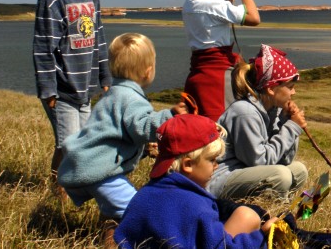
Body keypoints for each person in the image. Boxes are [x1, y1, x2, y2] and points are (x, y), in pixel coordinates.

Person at [56, 33, 186, 247]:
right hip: (100, 173)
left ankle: (109, 240)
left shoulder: (113, 95)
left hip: (89, 167)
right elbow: (143, 127)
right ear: (148, 70)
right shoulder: (132, 99)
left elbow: (115, 134)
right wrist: (170, 116)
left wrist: (142, 150)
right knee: (138, 210)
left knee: (116, 214)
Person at [115, 114, 278, 248]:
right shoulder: (196, 207)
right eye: (212, 160)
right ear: (188, 164)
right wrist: (261, 237)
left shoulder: (143, 194)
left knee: (245, 214)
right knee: (248, 217)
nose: (216, 166)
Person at [32, 0, 111, 199]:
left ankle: (56, 187)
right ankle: (63, 194)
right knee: (71, 144)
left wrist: (105, 77)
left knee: (73, 142)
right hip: (63, 89)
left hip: (85, 88)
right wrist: (48, 88)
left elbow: (99, 39)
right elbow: (44, 45)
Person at [208, 44, 308, 200]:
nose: (293, 92)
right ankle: (272, 214)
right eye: (290, 87)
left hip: (244, 172)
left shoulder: (271, 110)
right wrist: (292, 128)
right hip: (222, 179)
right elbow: (259, 161)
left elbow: (285, 159)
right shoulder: (245, 113)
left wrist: (285, 121)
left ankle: (273, 206)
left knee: (299, 170)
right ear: (270, 89)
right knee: (281, 175)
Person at [180, 0, 260, 122]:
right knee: (223, 128)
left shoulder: (190, 3)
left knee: (201, 126)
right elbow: (254, 18)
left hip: (199, 75)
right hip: (217, 77)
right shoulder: (213, 4)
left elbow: (216, 20)